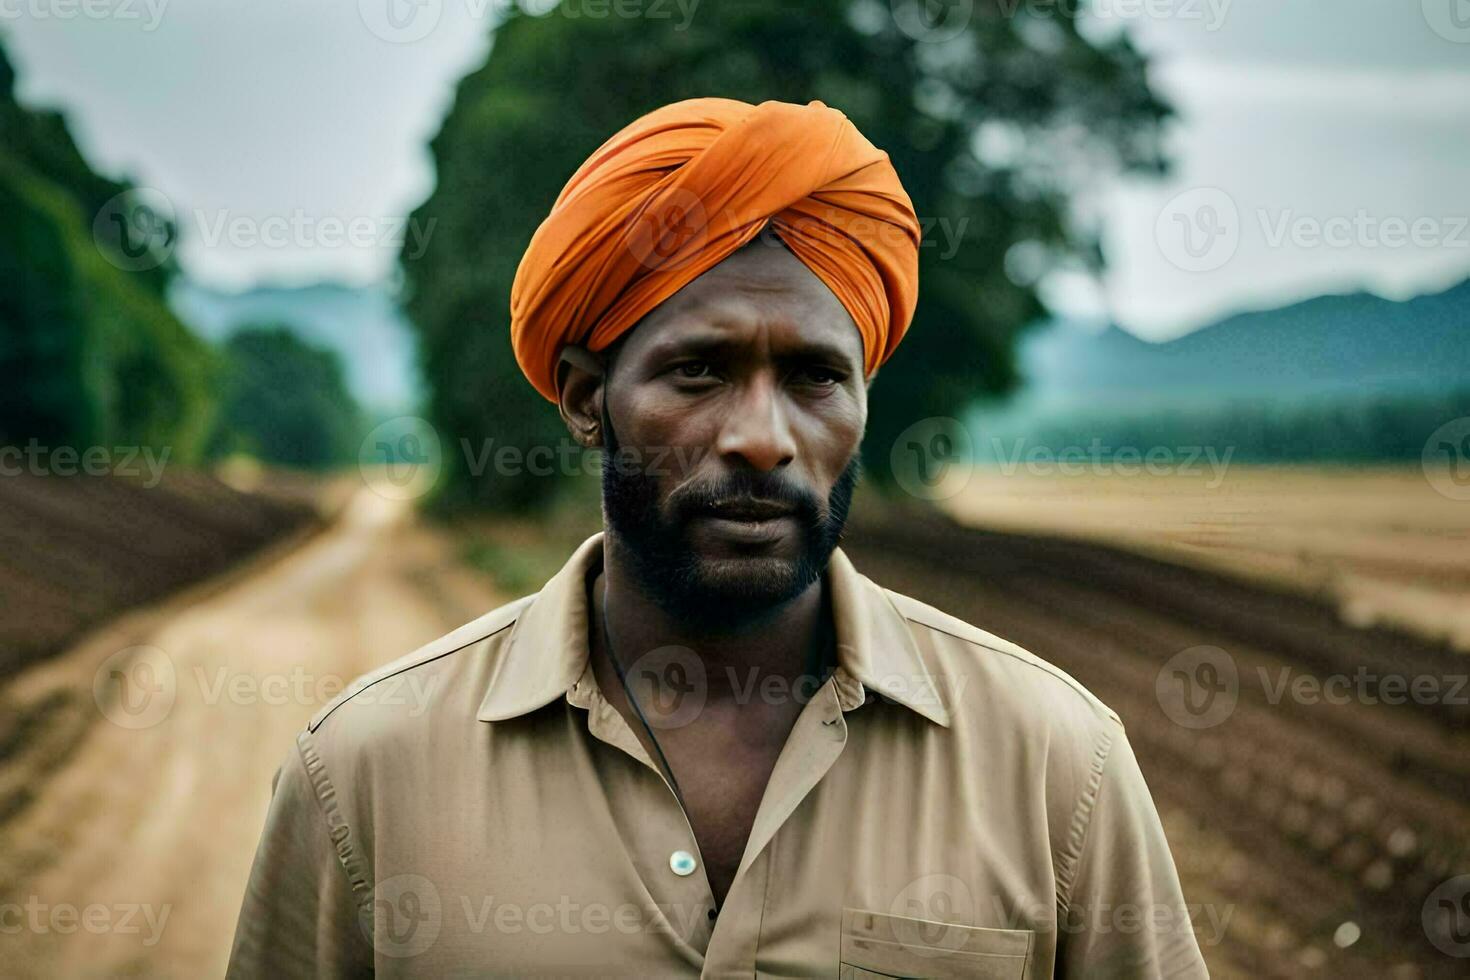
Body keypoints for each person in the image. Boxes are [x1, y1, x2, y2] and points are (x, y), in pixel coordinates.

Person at [227, 97, 1208, 978]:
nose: (760, 437)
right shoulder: (365, 771)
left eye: (815, 377)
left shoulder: (1055, 768)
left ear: (862, 403)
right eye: (699, 371)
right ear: (583, 397)